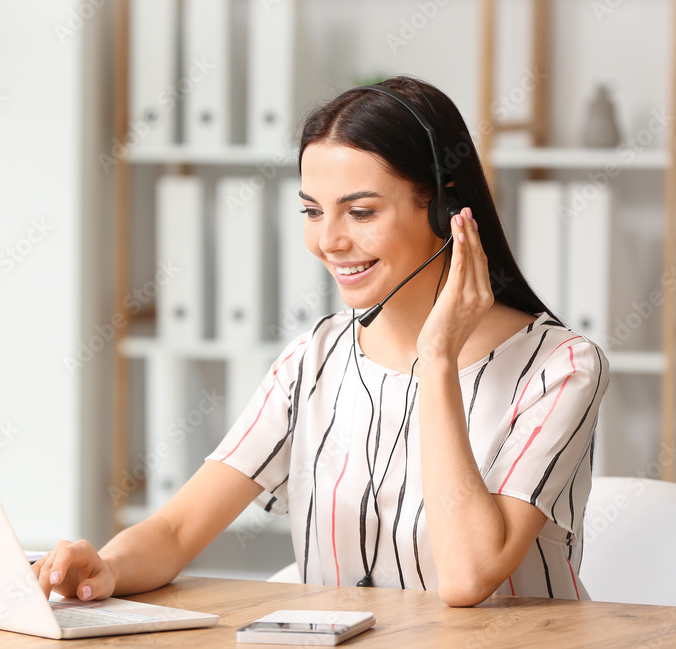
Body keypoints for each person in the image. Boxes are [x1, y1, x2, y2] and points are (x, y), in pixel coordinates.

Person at [34, 76, 609, 607]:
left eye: (360, 212)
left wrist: (437, 360)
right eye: (312, 211)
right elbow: (178, 530)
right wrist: (104, 566)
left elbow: (468, 577)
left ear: (444, 206)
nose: (328, 241)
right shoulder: (314, 359)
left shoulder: (560, 368)